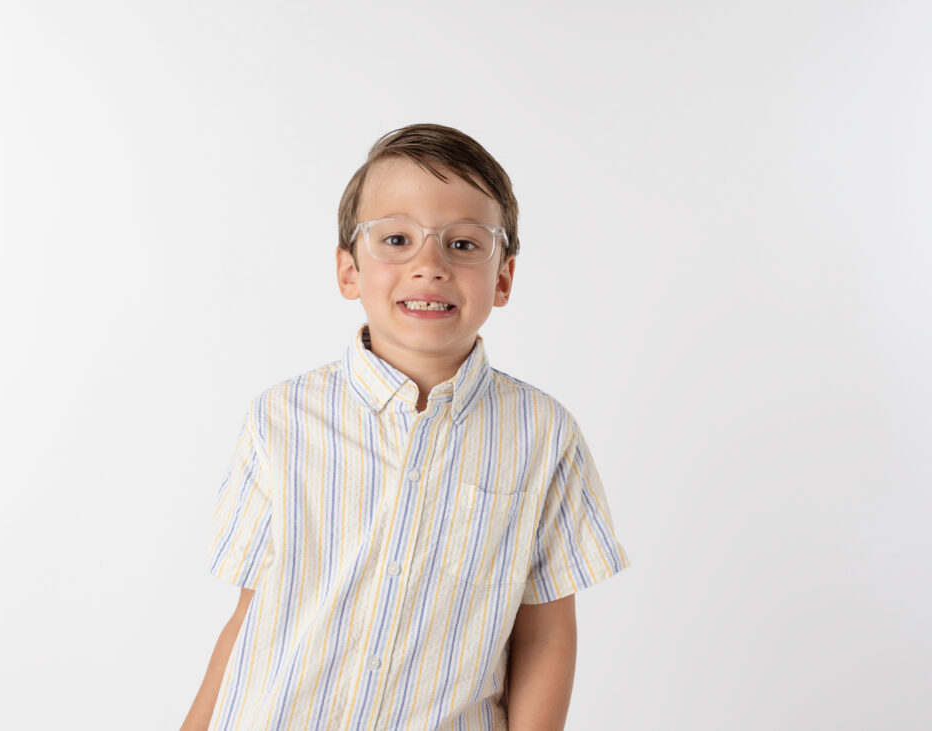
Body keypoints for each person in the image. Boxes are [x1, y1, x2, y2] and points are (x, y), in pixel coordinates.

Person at [181, 123, 630, 730]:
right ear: (348, 271)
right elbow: (251, 614)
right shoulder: (279, 418)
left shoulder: (543, 435)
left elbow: (545, 633)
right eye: (396, 238)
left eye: (464, 244)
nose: (429, 265)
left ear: (503, 277)